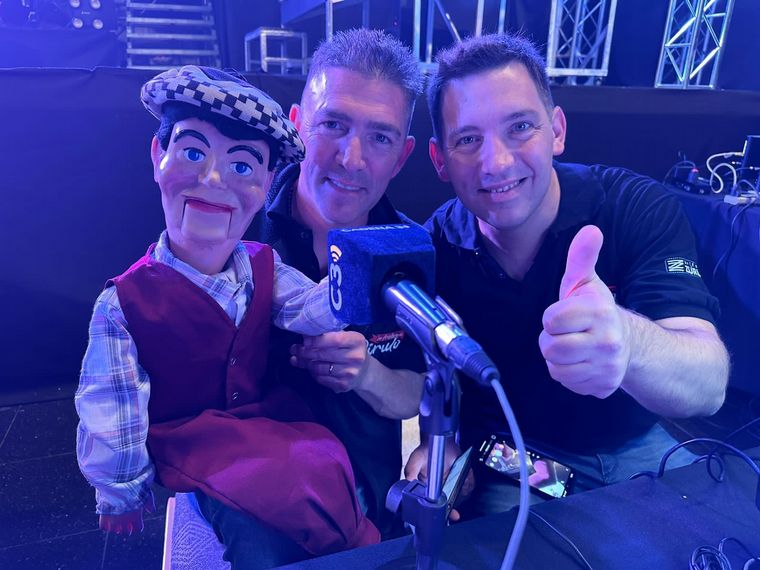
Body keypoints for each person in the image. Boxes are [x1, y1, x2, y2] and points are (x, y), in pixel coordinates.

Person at [406, 33, 730, 517]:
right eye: (468, 140)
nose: (497, 162)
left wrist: (628, 341)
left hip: (638, 445)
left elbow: (709, 384)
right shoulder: (433, 246)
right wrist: (441, 445)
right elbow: (431, 378)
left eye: (520, 127)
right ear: (440, 160)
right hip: (514, 458)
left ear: (556, 131)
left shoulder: (633, 207)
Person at [74, 65, 379, 568]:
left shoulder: (263, 265)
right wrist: (120, 488)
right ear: (158, 157)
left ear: (265, 184)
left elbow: (306, 307)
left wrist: (355, 285)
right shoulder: (124, 303)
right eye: (193, 153)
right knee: (256, 536)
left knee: (324, 462)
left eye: (242, 166)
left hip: (261, 422)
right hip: (189, 438)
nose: (213, 180)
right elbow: (113, 404)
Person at [246, 28, 426, 537]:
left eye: (380, 137)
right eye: (333, 124)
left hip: (371, 504)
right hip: (257, 504)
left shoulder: (413, 251)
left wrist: (366, 374)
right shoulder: (238, 230)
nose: (352, 158)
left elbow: (414, 392)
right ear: (297, 125)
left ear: (402, 155)